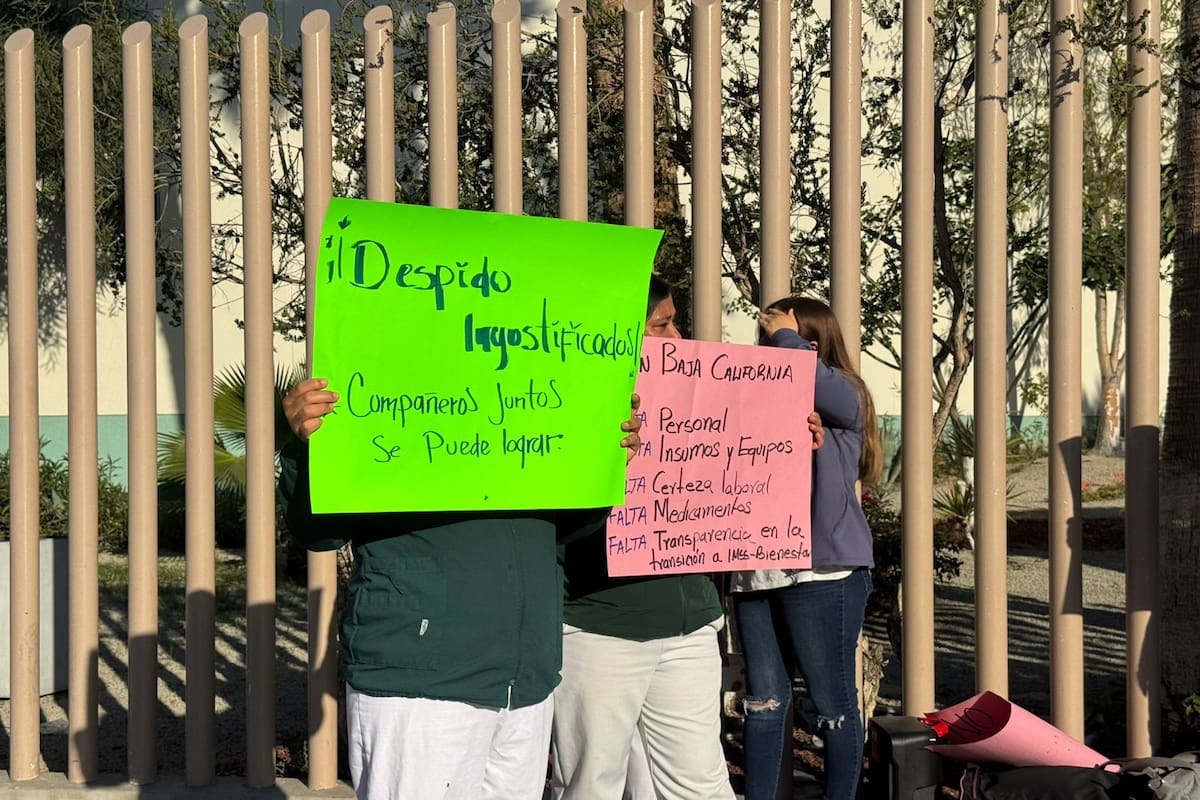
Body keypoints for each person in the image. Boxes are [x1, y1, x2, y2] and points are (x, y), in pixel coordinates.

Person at [278, 372, 643, 800]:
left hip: (525, 678)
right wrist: (308, 449)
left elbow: (562, 526)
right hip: (421, 678)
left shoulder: (541, 377)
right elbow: (320, 531)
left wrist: (601, 462)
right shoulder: (382, 366)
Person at [550, 276, 824, 800]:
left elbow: (739, 481)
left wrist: (789, 441)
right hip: (599, 627)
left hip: (690, 626)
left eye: (674, 321)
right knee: (592, 784)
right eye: (661, 325)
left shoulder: (702, 390)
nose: (676, 336)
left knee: (701, 784)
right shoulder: (565, 407)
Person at [729, 296, 881, 800]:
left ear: (808, 347)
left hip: (822, 574)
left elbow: (812, 382)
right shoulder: (756, 396)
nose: (767, 346)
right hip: (757, 570)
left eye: (779, 340)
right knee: (764, 704)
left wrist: (785, 338)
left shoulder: (843, 394)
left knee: (832, 706)